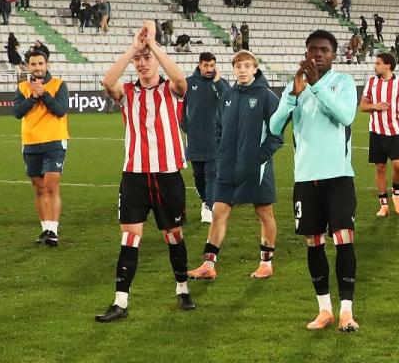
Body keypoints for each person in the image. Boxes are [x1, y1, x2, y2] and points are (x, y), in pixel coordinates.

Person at [94, 24, 196, 322]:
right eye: (138, 59)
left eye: (146, 58)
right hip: (135, 176)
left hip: (167, 174)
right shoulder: (127, 93)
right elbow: (107, 81)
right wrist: (133, 49)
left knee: (173, 235)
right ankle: (120, 302)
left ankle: (182, 289)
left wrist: (153, 45)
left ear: (156, 60)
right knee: (129, 237)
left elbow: (180, 79)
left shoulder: (170, 90)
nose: (141, 63)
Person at [270, 29, 362, 332]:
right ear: (306, 52)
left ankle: (346, 310)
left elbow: (346, 116)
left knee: (344, 240)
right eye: (313, 49)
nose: (318, 54)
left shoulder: (343, 82)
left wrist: (317, 86)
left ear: (334, 55)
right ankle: (324, 310)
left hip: (339, 177)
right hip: (306, 178)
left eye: (324, 50)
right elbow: (274, 127)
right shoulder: (294, 85)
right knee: (314, 244)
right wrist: (293, 97)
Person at [189, 51, 281, 282]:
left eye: (247, 66)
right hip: (228, 167)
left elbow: (276, 134)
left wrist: (259, 158)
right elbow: (218, 126)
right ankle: (208, 264)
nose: (242, 70)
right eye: (238, 66)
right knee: (219, 212)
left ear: (255, 69)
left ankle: (266, 263)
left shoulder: (268, 97)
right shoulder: (228, 95)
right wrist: (221, 154)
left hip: (256, 169)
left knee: (264, 213)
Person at [15, 48, 71, 247]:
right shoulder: (23, 87)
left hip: (54, 141)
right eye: (33, 64)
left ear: (47, 65)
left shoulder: (58, 85)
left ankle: (53, 231)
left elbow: (60, 110)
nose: (37, 67)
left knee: (51, 186)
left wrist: (44, 94)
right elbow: (17, 112)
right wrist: (32, 98)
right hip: (31, 143)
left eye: (40, 63)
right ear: (28, 66)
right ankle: (45, 228)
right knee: (39, 188)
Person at [359, 52, 399, 217]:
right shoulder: (371, 82)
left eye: (378, 63)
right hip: (376, 132)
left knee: (398, 165)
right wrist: (374, 106)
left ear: (388, 65)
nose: (375, 66)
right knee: (380, 168)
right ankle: (383, 205)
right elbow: (362, 106)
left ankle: (396, 195)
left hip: (395, 133)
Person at [180, 53, 227, 212]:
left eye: (212, 65)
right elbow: (180, 108)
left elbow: (228, 101)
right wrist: (186, 126)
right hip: (195, 138)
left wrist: (218, 82)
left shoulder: (221, 83)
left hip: (215, 138)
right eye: (206, 65)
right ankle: (205, 200)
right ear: (199, 65)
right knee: (198, 175)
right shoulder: (188, 83)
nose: (209, 69)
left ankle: (209, 207)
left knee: (212, 174)